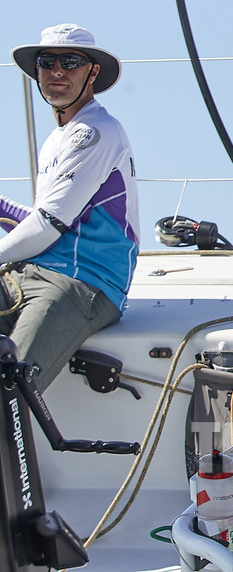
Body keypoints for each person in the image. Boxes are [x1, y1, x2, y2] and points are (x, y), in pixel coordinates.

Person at [0, 25, 138, 388]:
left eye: (71, 62)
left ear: (92, 73)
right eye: (48, 62)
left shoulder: (94, 132)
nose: (57, 71)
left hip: (80, 281)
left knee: (10, 391)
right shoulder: (60, 136)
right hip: (37, 269)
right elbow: (44, 221)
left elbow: (48, 226)